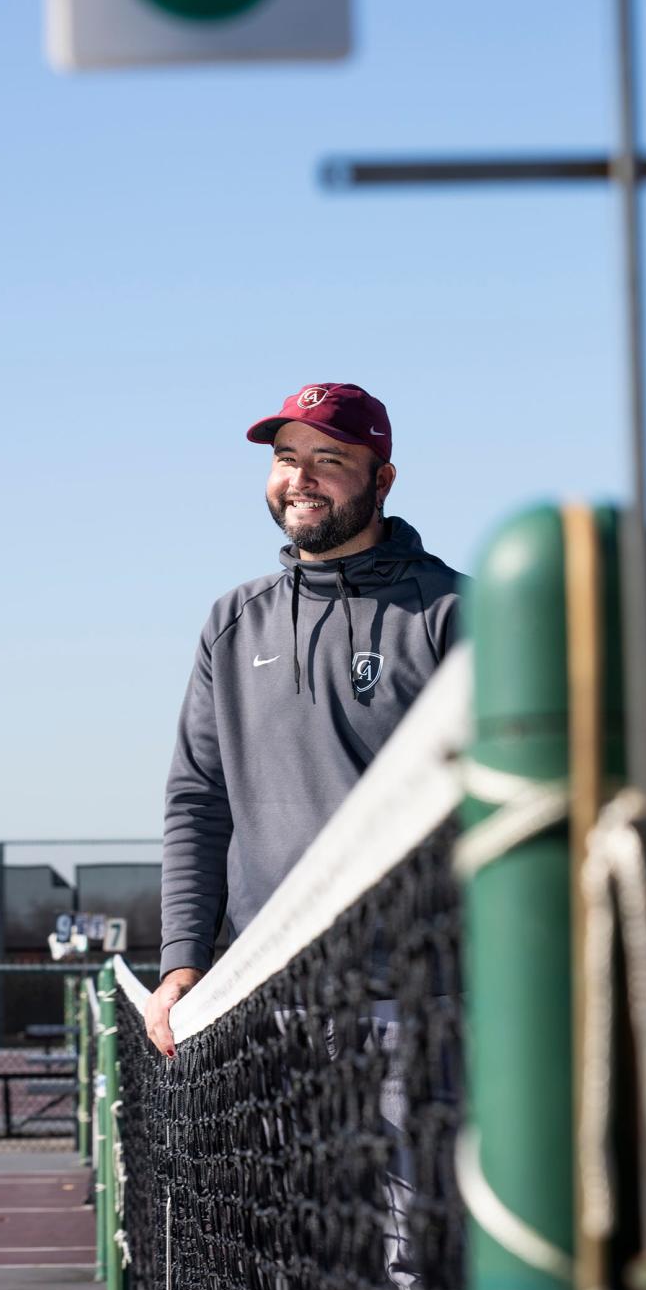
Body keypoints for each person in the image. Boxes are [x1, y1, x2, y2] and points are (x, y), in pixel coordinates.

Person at [144, 381, 464, 1057]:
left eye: (329, 459)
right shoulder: (232, 624)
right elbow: (198, 803)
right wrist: (182, 965)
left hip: (418, 1010)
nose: (301, 479)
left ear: (383, 480)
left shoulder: (454, 613)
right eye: (287, 458)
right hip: (260, 1008)